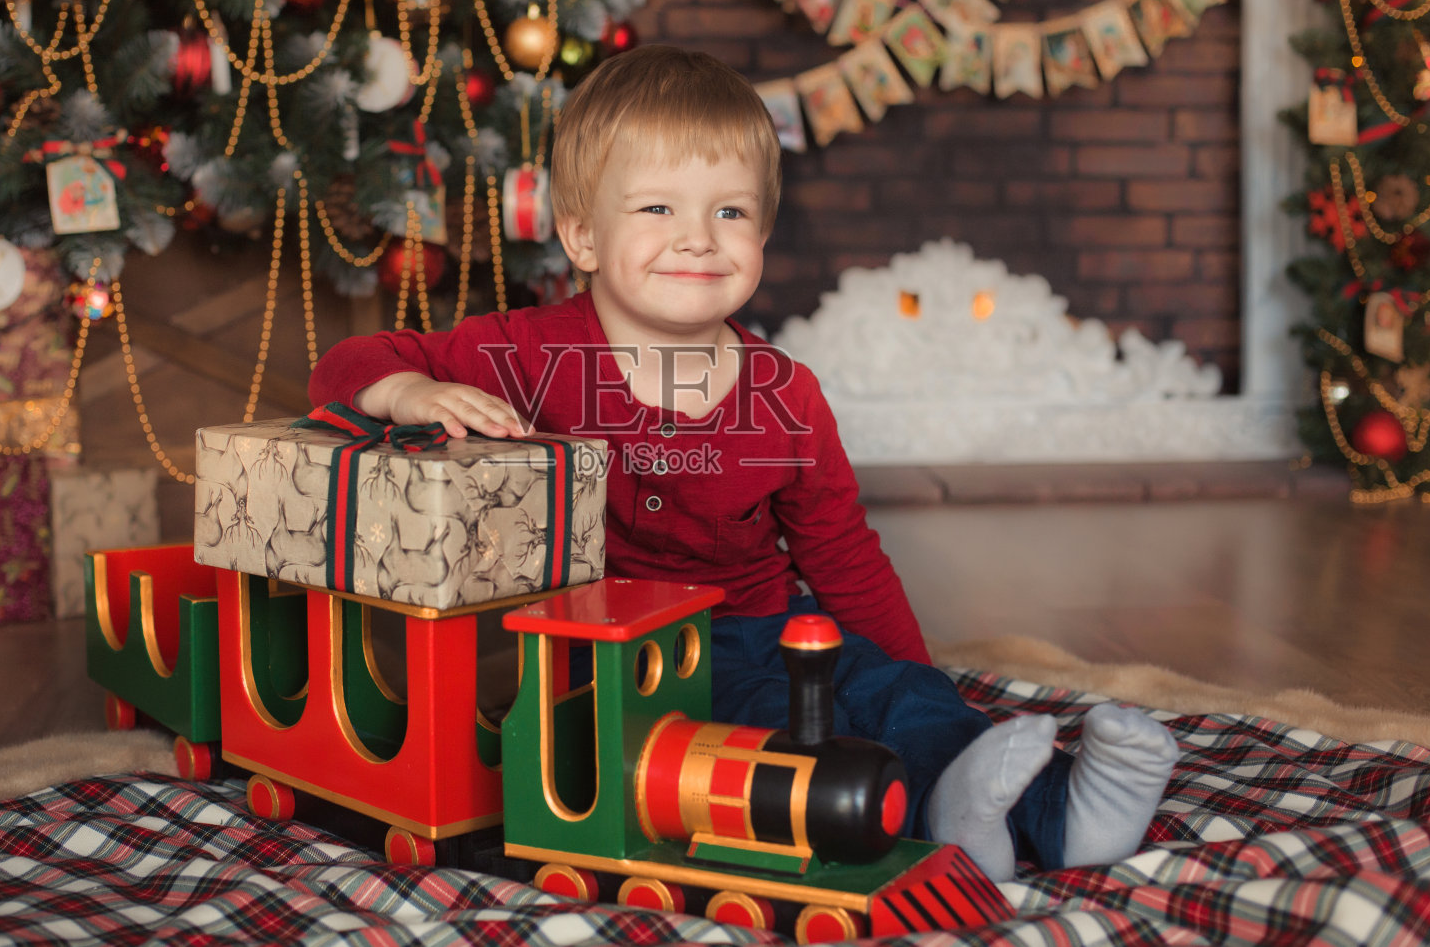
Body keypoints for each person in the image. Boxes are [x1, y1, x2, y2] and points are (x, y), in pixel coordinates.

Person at [308, 44, 1179, 881]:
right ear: (581, 237)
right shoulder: (528, 352)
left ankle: (1060, 815)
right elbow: (345, 365)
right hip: (625, 661)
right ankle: (935, 817)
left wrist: (920, 675)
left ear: (761, 230)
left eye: (729, 213)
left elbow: (842, 553)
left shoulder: (783, 393)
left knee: (891, 695)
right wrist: (411, 392)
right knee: (773, 728)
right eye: (657, 209)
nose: (698, 239)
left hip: (770, 621)